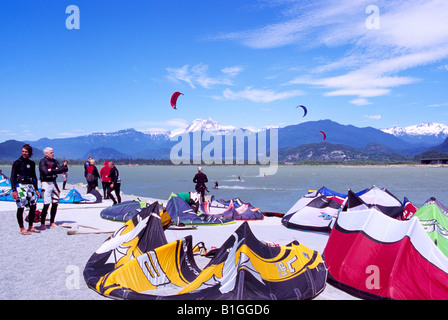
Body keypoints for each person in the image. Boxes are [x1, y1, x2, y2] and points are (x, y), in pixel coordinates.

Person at [10, 144, 41, 235]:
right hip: (21, 186)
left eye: (26, 152)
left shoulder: (32, 163)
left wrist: (36, 189)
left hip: (30, 186)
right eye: (23, 151)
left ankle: (30, 226)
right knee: (21, 207)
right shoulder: (17, 163)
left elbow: (34, 177)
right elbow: (12, 177)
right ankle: (22, 228)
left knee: (33, 206)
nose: (24, 153)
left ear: (29, 153)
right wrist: (14, 190)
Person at [39, 147, 67, 230]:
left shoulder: (55, 161)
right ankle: (43, 223)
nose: (53, 154)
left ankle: (52, 222)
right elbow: (44, 172)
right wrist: (56, 170)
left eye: (53, 152)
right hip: (46, 183)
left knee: (55, 203)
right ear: (46, 154)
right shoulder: (42, 161)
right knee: (46, 204)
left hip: (54, 183)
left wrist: (51, 169)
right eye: (51, 153)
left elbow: (64, 169)